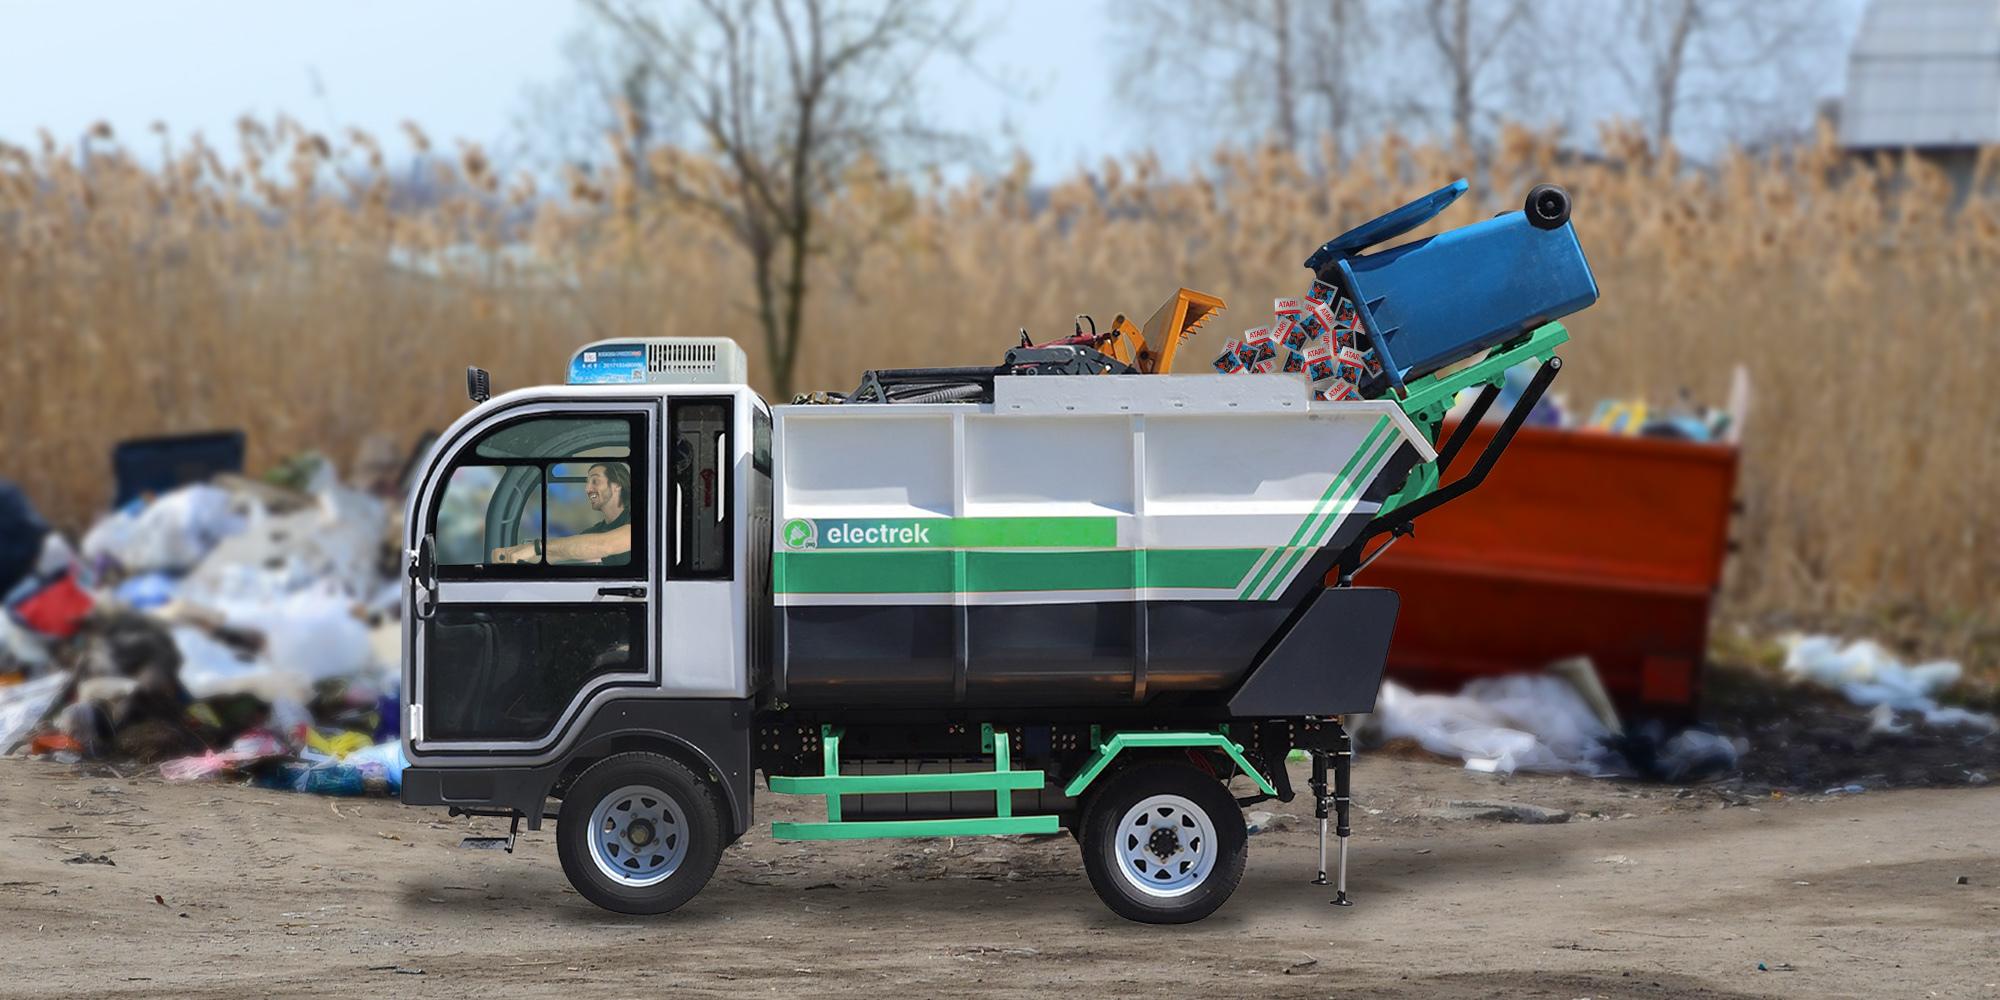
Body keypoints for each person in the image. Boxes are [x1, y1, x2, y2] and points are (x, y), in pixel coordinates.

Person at [491, 462, 633, 565]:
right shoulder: (599, 530)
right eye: (587, 483)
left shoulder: (638, 518)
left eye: (595, 481)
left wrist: (534, 547)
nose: (588, 488)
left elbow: (605, 544)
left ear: (617, 485)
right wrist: (512, 552)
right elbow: (556, 552)